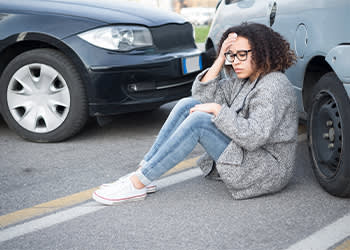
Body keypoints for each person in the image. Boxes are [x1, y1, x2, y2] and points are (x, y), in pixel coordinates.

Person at [93, 22, 298, 205]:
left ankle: (137, 183)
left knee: (200, 122)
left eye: (242, 54)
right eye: (231, 55)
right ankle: (143, 171)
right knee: (187, 104)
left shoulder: (273, 86)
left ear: (263, 52)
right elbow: (201, 96)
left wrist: (218, 110)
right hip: (251, 155)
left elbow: (254, 136)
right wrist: (219, 60)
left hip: (267, 169)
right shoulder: (246, 80)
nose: (235, 61)